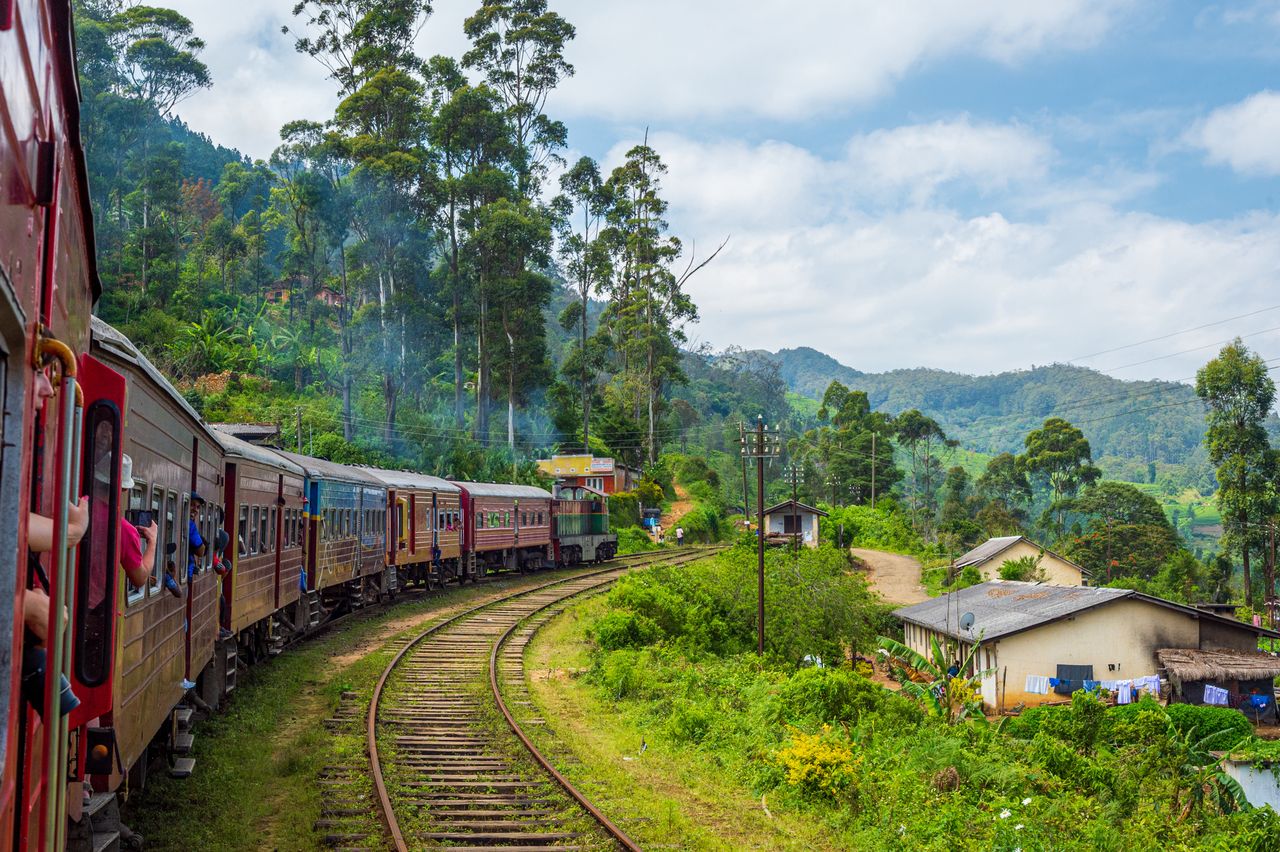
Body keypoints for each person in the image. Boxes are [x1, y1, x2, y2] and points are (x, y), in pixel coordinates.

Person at [187, 492, 207, 579]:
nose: (195, 509)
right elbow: (201, 551)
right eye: (192, 505)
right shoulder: (190, 525)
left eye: (198, 507)